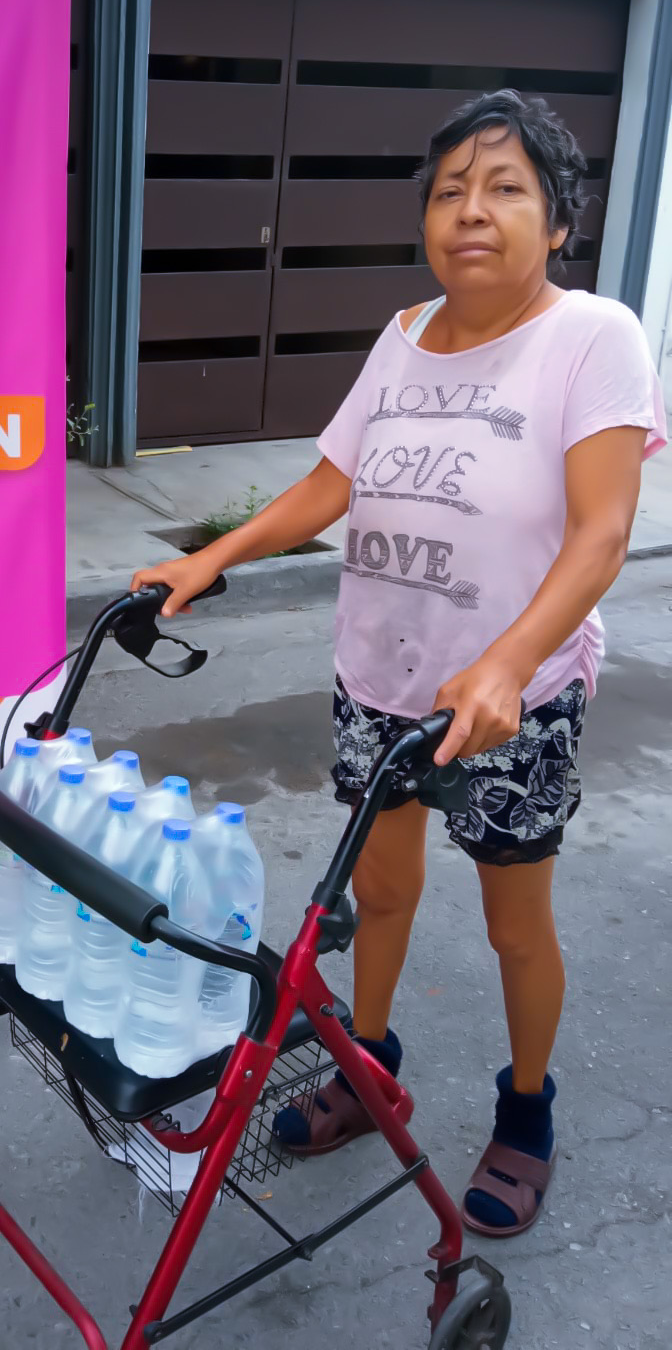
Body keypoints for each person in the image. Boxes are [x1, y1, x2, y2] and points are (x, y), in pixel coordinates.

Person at [130, 90, 666, 1237]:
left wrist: (508, 663)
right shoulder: (406, 331)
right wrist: (208, 559)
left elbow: (603, 532)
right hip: (380, 676)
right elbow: (332, 481)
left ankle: (527, 1109)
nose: (471, 210)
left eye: (506, 188)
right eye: (450, 190)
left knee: (515, 925)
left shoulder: (595, 336)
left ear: (557, 222)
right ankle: (367, 1066)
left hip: (513, 701)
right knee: (378, 891)